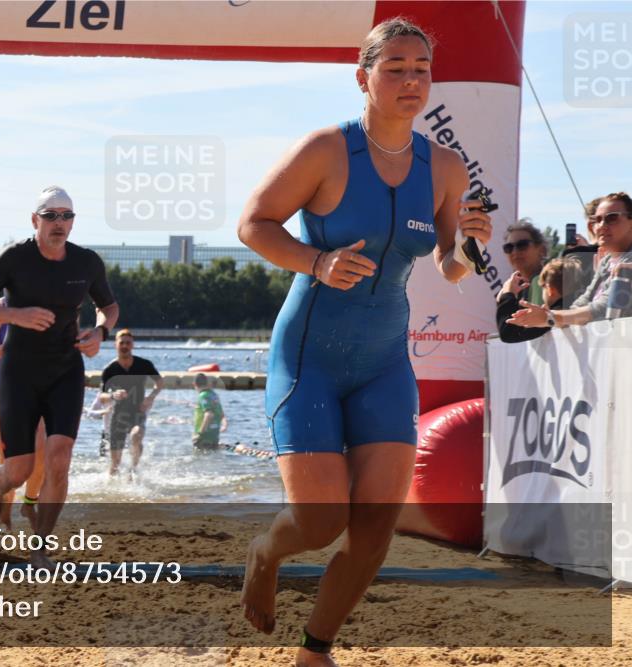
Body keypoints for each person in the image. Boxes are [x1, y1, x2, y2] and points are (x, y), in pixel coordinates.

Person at [235, 18, 493, 666]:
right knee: (321, 521)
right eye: (395, 68)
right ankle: (265, 551)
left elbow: (450, 264)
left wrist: (470, 245)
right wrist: (316, 262)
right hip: (309, 360)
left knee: (376, 526)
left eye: (421, 69)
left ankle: (315, 649)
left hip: (384, 364)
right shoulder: (327, 150)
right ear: (363, 77)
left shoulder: (444, 166)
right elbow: (253, 224)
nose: (411, 80)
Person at [0, 186, 119, 568]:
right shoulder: (15, 257)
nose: (59, 223)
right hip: (19, 372)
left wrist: (100, 332)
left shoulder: (86, 262)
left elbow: (109, 306)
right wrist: (14, 315)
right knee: (19, 470)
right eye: (51, 216)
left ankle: (40, 548)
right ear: (35, 220)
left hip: (66, 370)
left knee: (59, 460)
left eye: (67, 216)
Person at [509, 192, 632, 329]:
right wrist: (553, 317)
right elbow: (585, 300)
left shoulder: (628, 263)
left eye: (612, 218)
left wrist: (550, 317)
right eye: (597, 220)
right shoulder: (606, 262)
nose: (602, 225)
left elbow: (602, 307)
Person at [0, 298, 46, 529]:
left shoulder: (48, 304)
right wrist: (9, 347)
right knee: (9, 458)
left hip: (38, 388)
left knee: (41, 450)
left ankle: (30, 503)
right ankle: (3, 511)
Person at [97, 329, 164, 475]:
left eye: (128, 343)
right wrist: (113, 395)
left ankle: (133, 470)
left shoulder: (144, 364)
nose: (125, 346)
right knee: (115, 465)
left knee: (136, 435)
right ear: (116, 344)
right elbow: (101, 396)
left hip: (138, 412)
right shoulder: (110, 369)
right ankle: (112, 485)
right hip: (118, 415)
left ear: (132, 344)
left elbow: (160, 383)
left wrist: (150, 397)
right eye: (122, 343)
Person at [496, 257, 584, 342]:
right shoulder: (580, 310)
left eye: (542, 286)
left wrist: (507, 295)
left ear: (550, 290)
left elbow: (508, 333)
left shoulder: (551, 315)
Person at [495, 220, 547, 308]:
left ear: (541, 250)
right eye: (509, 247)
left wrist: (507, 298)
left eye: (522, 245)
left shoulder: (555, 282)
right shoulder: (510, 289)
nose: (514, 252)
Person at [191, 373, 227, 450]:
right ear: (207, 383)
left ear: (194, 384)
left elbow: (208, 414)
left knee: (199, 455)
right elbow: (221, 413)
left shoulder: (203, 395)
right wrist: (224, 425)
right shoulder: (214, 395)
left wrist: (200, 434)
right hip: (214, 436)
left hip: (204, 436)